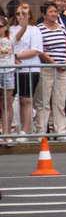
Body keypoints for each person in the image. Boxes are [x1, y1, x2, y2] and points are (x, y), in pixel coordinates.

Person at [9, 2, 52, 134]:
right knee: (8, 101)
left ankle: (24, 131)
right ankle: (10, 129)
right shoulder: (10, 29)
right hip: (11, 69)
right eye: (18, 13)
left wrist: (15, 56)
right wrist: (11, 58)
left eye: (23, 13)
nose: (20, 16)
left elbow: (35, 50)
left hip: (29, 69)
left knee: (26, 100)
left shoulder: (34, 29)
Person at [34, 0, 66, 135]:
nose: (54, 14)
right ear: (44, 14)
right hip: (47, 69)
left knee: (60, 102)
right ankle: (41, 132)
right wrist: (53, 63)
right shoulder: (39, 29)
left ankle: (60, 132)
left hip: (63, 69)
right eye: (50, 12)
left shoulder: (61, 27)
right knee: (43, 102)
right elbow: (40, 50)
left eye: (55, 11)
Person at [0, 9, 15, 144]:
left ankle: (7, 133)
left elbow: (21, 33)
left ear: (5, 27)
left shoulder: (10, 38)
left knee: (7, 104)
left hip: (8, 71)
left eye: (0, 26)